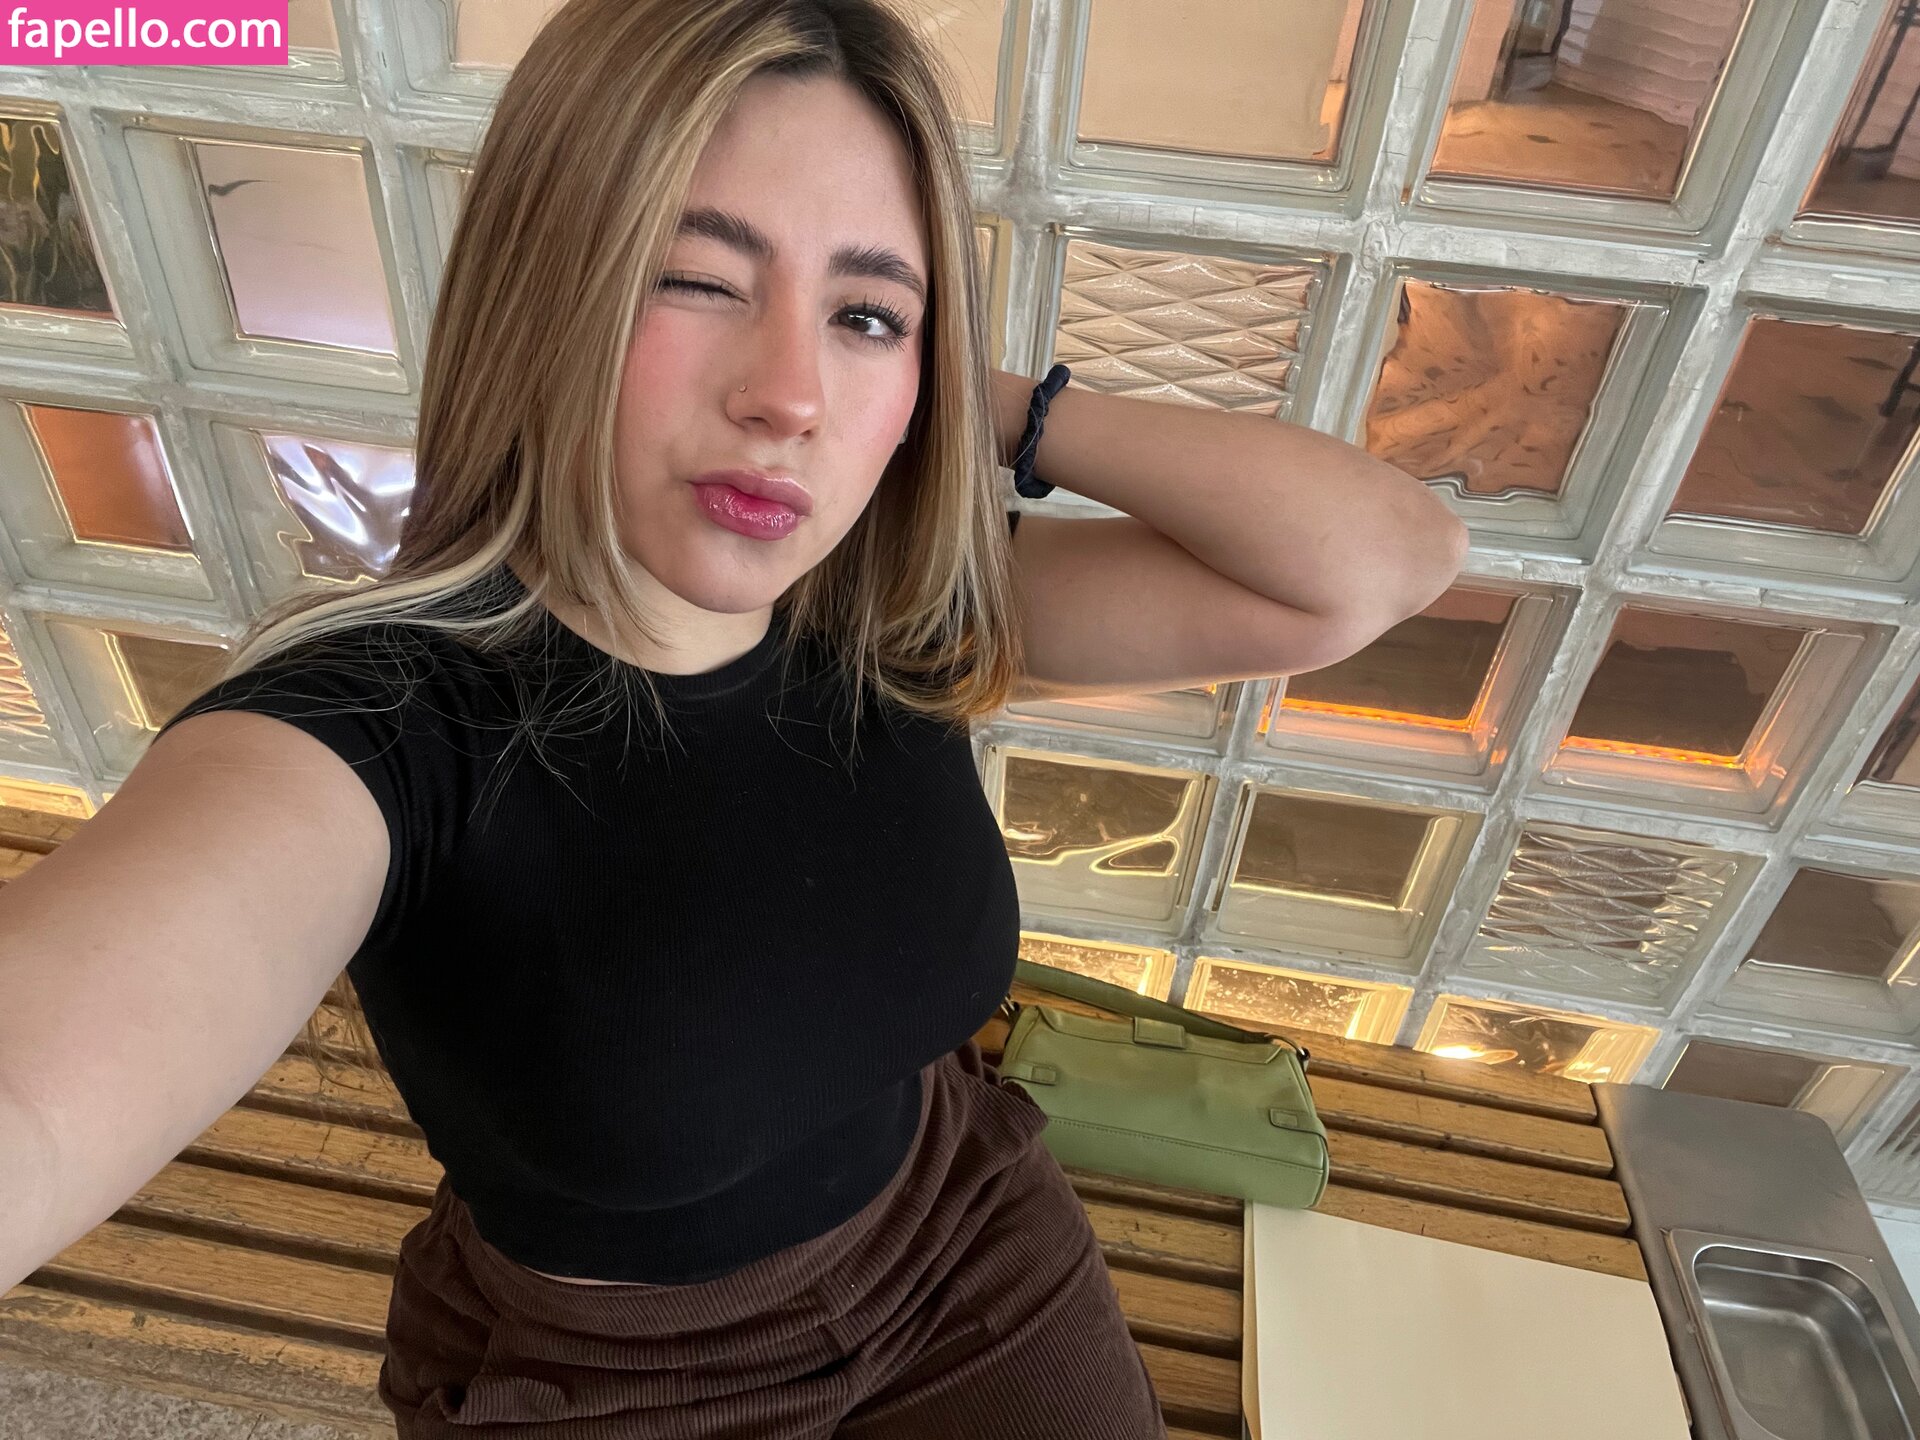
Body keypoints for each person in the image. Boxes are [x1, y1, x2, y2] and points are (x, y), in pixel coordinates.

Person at [0, 1, 1469, 1436]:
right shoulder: (384, 727)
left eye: (865, 313)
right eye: (699, 279)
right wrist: (877, 342)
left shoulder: (892, 607)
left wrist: (967, 396)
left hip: (966, 1246)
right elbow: (39, 1102)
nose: (789, 397)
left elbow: (1380, 564)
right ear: (549, 286)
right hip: (617, 1378)